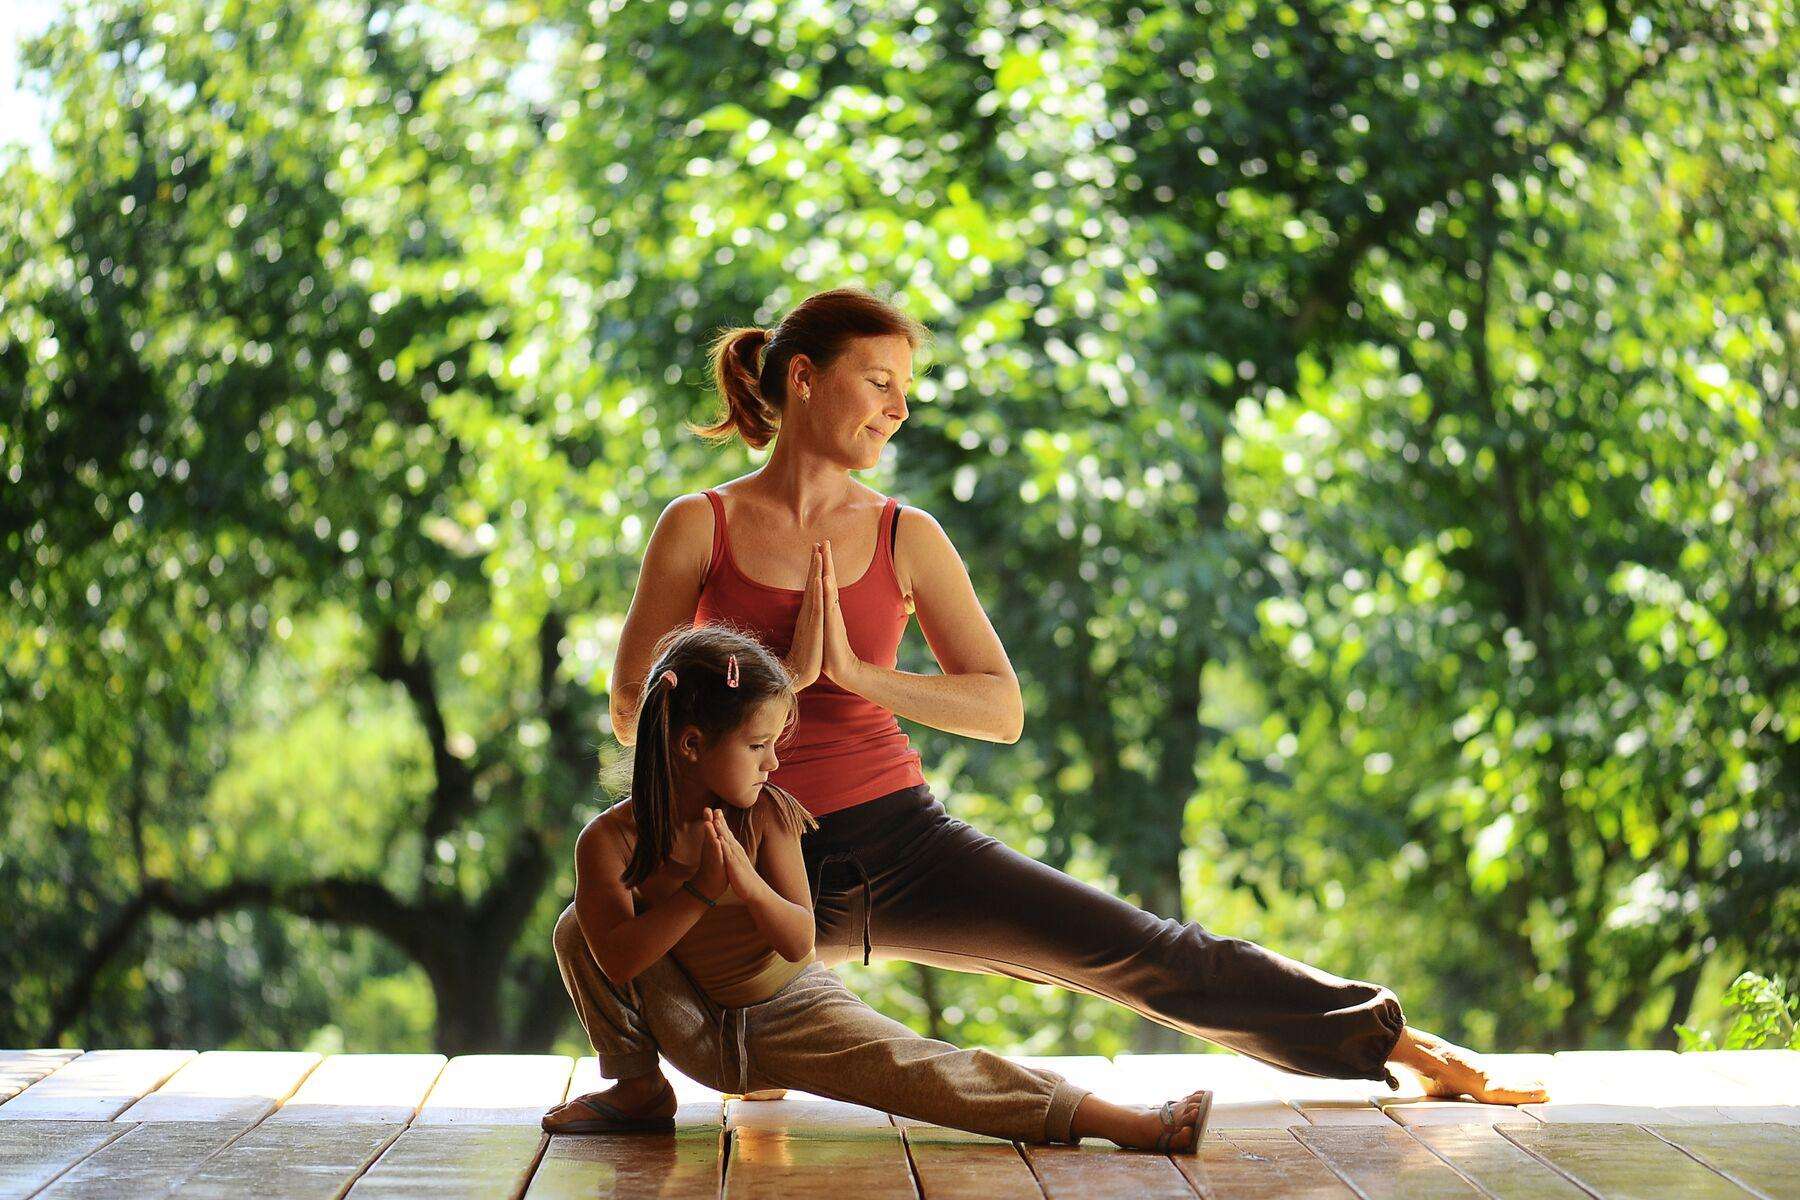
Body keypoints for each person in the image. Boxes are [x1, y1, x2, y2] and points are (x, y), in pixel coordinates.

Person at [545, 286, 1547, 1135]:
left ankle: (1397, 1042)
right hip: (742, 861)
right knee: (591, 926)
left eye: (906, 390)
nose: (898, 409)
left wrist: (856, 674)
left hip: (900, 846)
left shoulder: (904, 536)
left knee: (1146, 949)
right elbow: (633, 712)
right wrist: (782, 682)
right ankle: (644, 1085)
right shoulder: (701, 526)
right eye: (879, 382)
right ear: (803, 377)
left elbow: (1000, 708)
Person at [545, 624, 1213, 1152]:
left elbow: (800, 941)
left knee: (924, 1069)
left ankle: (1118, 1121)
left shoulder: (765, 815)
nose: (774, 761)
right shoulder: (609, 842)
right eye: (757, 746)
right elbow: (618, 962)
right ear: (691, 745)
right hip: (696, 1029)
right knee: (579, 924)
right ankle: (638, 1090)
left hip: (791, 1015)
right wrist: (697, 891)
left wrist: (744, 885)